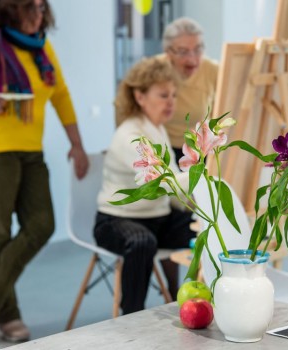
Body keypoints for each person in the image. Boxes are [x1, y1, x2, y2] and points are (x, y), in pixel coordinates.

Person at [0, 0, 89, 345]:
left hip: (28, 149)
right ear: (10, 9)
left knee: (42, 223)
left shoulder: (41, 47)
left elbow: (61, 95)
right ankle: (7, 317)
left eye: (42, 8)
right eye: (31, 8)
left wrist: (77, 144)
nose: (38, 15)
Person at [94, 57, 196, 314]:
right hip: (116, 221)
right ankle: (132, 316)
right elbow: (164, 181)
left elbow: (173, 187)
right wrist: (205, 178)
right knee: (142, 242)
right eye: (163, 95)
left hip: (157, 219)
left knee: (207, 227)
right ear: (140, 97)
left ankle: (188, 299)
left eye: (173, 94)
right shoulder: (130, 135)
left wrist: (198, 210)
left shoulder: (157, 129)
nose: (171, 101)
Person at [156, 17, 219, 161]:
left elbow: (225, 111)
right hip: (162, 148)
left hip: (200, 150)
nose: (192, 58)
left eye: (198, 50)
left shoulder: (213, 70)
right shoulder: (154, 70)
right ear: (168, 52)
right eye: (183, 51)